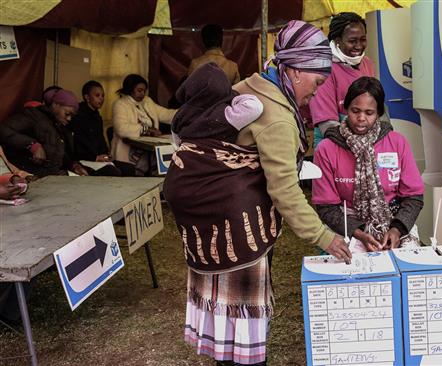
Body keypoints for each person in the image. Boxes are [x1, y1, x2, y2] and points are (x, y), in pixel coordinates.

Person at [164, 20, 351, 366]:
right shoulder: (278, 117)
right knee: (244, 322)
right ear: (294, 71)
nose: (318, 91)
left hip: (211, 219)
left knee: (225, 317)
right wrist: (325, 237)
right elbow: (284, 191)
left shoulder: (253, 84)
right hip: (238, 226)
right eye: (317, 81)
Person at [312, 77, 424, 253]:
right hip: (349, 225)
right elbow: (326, 207)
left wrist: (397, 229)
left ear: (379, 113)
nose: (361, 118)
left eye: (369, 113)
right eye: (355, 111)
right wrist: (360, 232)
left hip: (394, 220)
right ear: (345, 109)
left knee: (409, 262)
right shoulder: (327, 149)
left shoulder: (397, 142)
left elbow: (414, 196)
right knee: (355, 267)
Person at [309, 12, 376, 148]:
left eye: (362, 39)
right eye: (352, 41)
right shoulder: (324, 69)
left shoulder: (367, 63)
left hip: (364, 142)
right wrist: (356, 144)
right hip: (333, 142)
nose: (358, 46)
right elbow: (327, 124)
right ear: (337, 40)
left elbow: (376, 103)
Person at [0, 89, 89, 177]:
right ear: (55, 105)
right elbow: (4, 129)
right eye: (67, 114)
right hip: (27, 174)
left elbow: (60, 154)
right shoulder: (34, 115)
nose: (69, 119)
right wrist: (33, 145)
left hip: (49, 175)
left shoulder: (59, 126)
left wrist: (73, 165)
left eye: (72, 116)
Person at [111, 74, 176, 176]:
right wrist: (147, 130)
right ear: (130, 89)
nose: (142, 94)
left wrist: (184, 113)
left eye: (144, 91)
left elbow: (165, 114)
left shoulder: (147, 101)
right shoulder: (120, 104)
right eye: (139, 90)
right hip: (128, 154)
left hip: (149, 149)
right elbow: (121, 128)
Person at [70, 81, 131, 176]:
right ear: (87, 97)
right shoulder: (79, 116)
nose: (101, 99)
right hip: (85, 159)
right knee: (114, 172)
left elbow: (100, 139)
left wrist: (106, 154)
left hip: (99, 158)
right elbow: (78, 144)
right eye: (97, 95)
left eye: (103, 96)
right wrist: (95, 157)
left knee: (129, 168)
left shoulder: (97, 115)